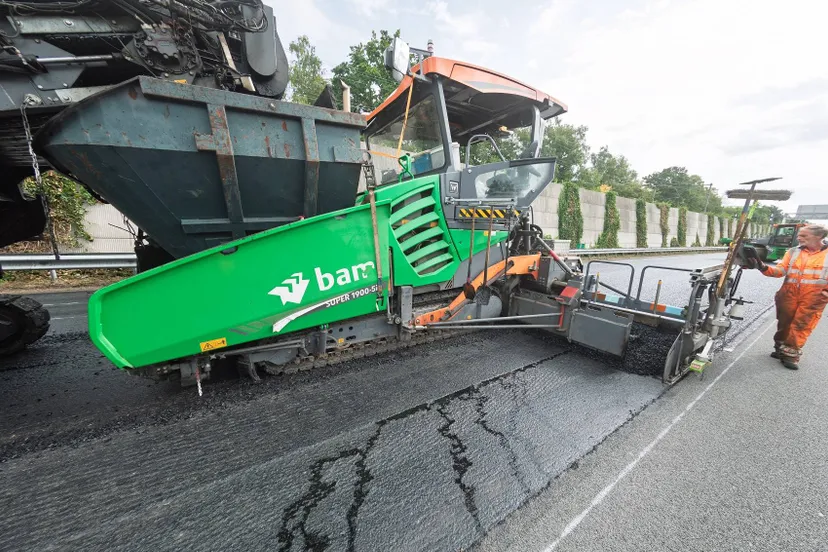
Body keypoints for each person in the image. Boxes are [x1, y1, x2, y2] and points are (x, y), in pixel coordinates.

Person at [745, 224, 828, 370]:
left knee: (801, 325)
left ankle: (790, 354)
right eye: (799, 235)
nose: (799, 238)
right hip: (788, 294)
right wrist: (763, 267)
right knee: (784, 323)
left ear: (818, 237)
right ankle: (780, 347)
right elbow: (780, 270)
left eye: (804, 236)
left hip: (814, 297)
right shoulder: (793, 252)